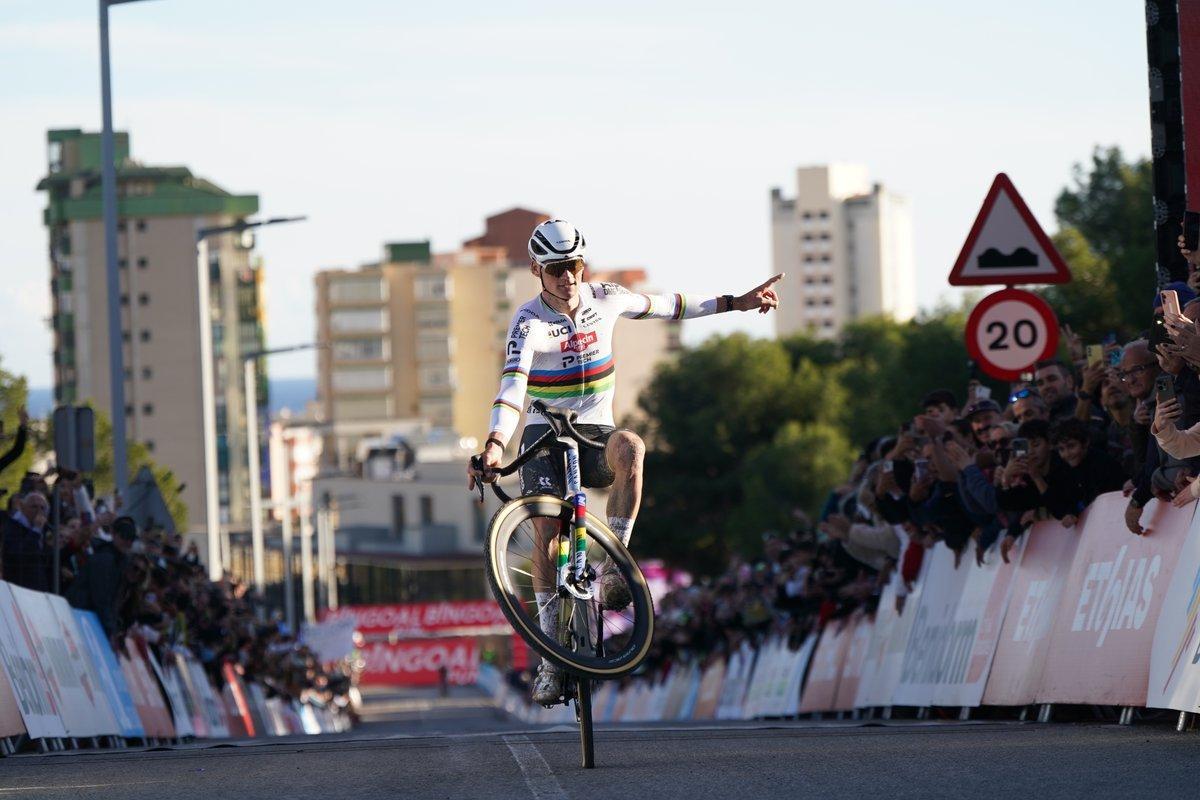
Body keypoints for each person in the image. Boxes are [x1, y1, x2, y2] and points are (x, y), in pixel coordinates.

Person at [466, 219, 783, 706]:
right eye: (556, 269)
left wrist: (736, 302)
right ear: (536, 270)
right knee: (548, 531)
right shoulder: (528, 323)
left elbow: (671, 305)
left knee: (631, 447)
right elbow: (511, 387)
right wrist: (493, 445)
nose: (567, 277)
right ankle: (551, 656)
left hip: (594, 431)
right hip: (543, 434)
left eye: (574, 266)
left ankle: (616, 566)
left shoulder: (606, 298)